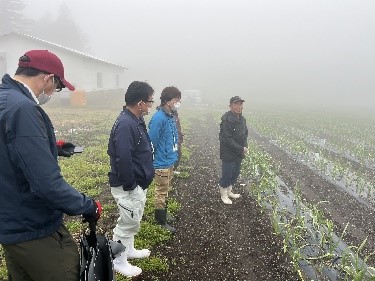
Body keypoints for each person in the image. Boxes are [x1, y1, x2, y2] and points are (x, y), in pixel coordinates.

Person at [0, 50, 101, 281]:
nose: (55, 92)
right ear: (47, 78)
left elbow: (7, 147)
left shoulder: (5, 99)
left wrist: (50, 146)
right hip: (33, 226)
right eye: (58, 86)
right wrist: (87, 205)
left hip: (10, 225)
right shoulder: (24, 109)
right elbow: (47, 185)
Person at [107, 81, 155, 277]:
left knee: (133, 219)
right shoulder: (126, 124)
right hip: (128, 186)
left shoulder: (134, 119)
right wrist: (131, 186)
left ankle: (129, 250)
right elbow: (123, 159)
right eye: (150, 101)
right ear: (141, 102)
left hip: (137, 184)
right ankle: (118, 260)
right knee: (126, 223)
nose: (151, 105)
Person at [148, 86, 181, 233]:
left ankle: (164, 212)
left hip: (170, 159)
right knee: (161, 191)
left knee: (166, 190)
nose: (177, 103)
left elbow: (173, 138)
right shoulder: (158, 118)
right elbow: (151, 142)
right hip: (161, 162)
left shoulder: (171, 116)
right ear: (167, 101)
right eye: (175, 100)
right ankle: (160, 221)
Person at [218, 96, 249, 204]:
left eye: (240, 104)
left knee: (235, 174)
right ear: (230, 106)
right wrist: (240, 148)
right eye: (236, 104)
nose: (238, 106)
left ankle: (229, 191)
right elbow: (227, 139)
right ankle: (224, 195)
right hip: (228, 153)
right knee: (227, 175)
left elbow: (245, 134)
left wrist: (245, 146)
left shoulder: (242, 119)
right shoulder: (227, 120)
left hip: (239, 152)